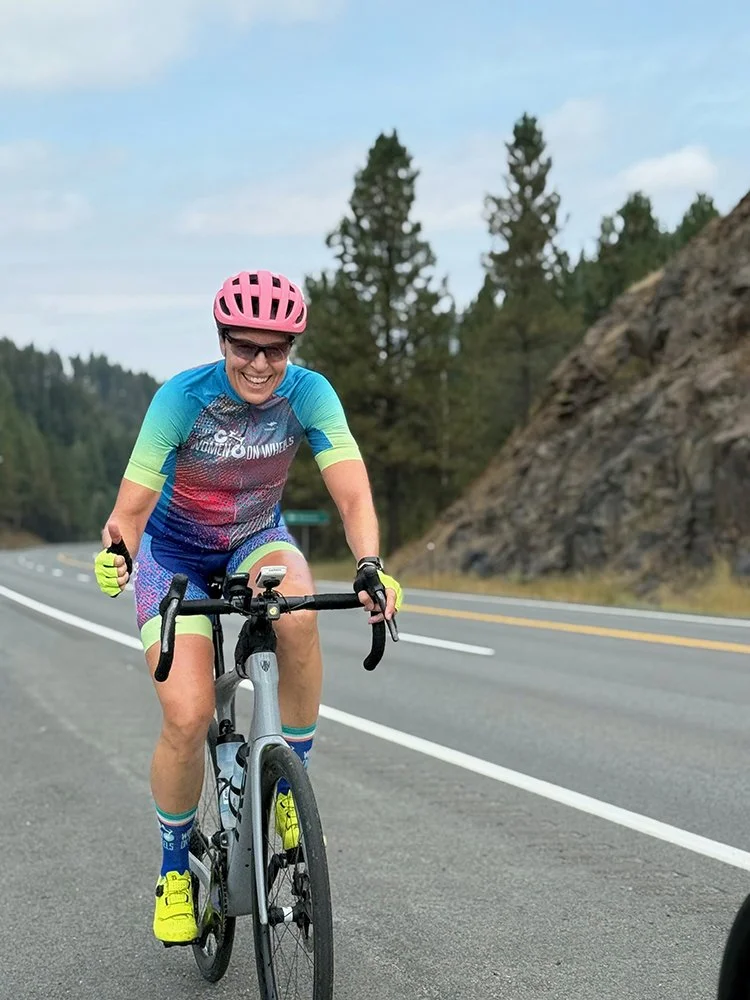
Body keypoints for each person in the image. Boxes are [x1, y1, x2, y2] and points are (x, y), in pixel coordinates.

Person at [93, 269, 403, 945]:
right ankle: (174, 871)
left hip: (255, 539)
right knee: (188, 715)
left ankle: (290, 785)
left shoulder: (310, 394)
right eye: (245, 347)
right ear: (222, 340)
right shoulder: (181, 399)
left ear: (292, 348)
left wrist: (370, 564)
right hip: (175, 555)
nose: (260, 364)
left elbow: (352, 492)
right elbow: (131, 511)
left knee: (299, 609)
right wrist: (118, 553)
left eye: (277, 349)